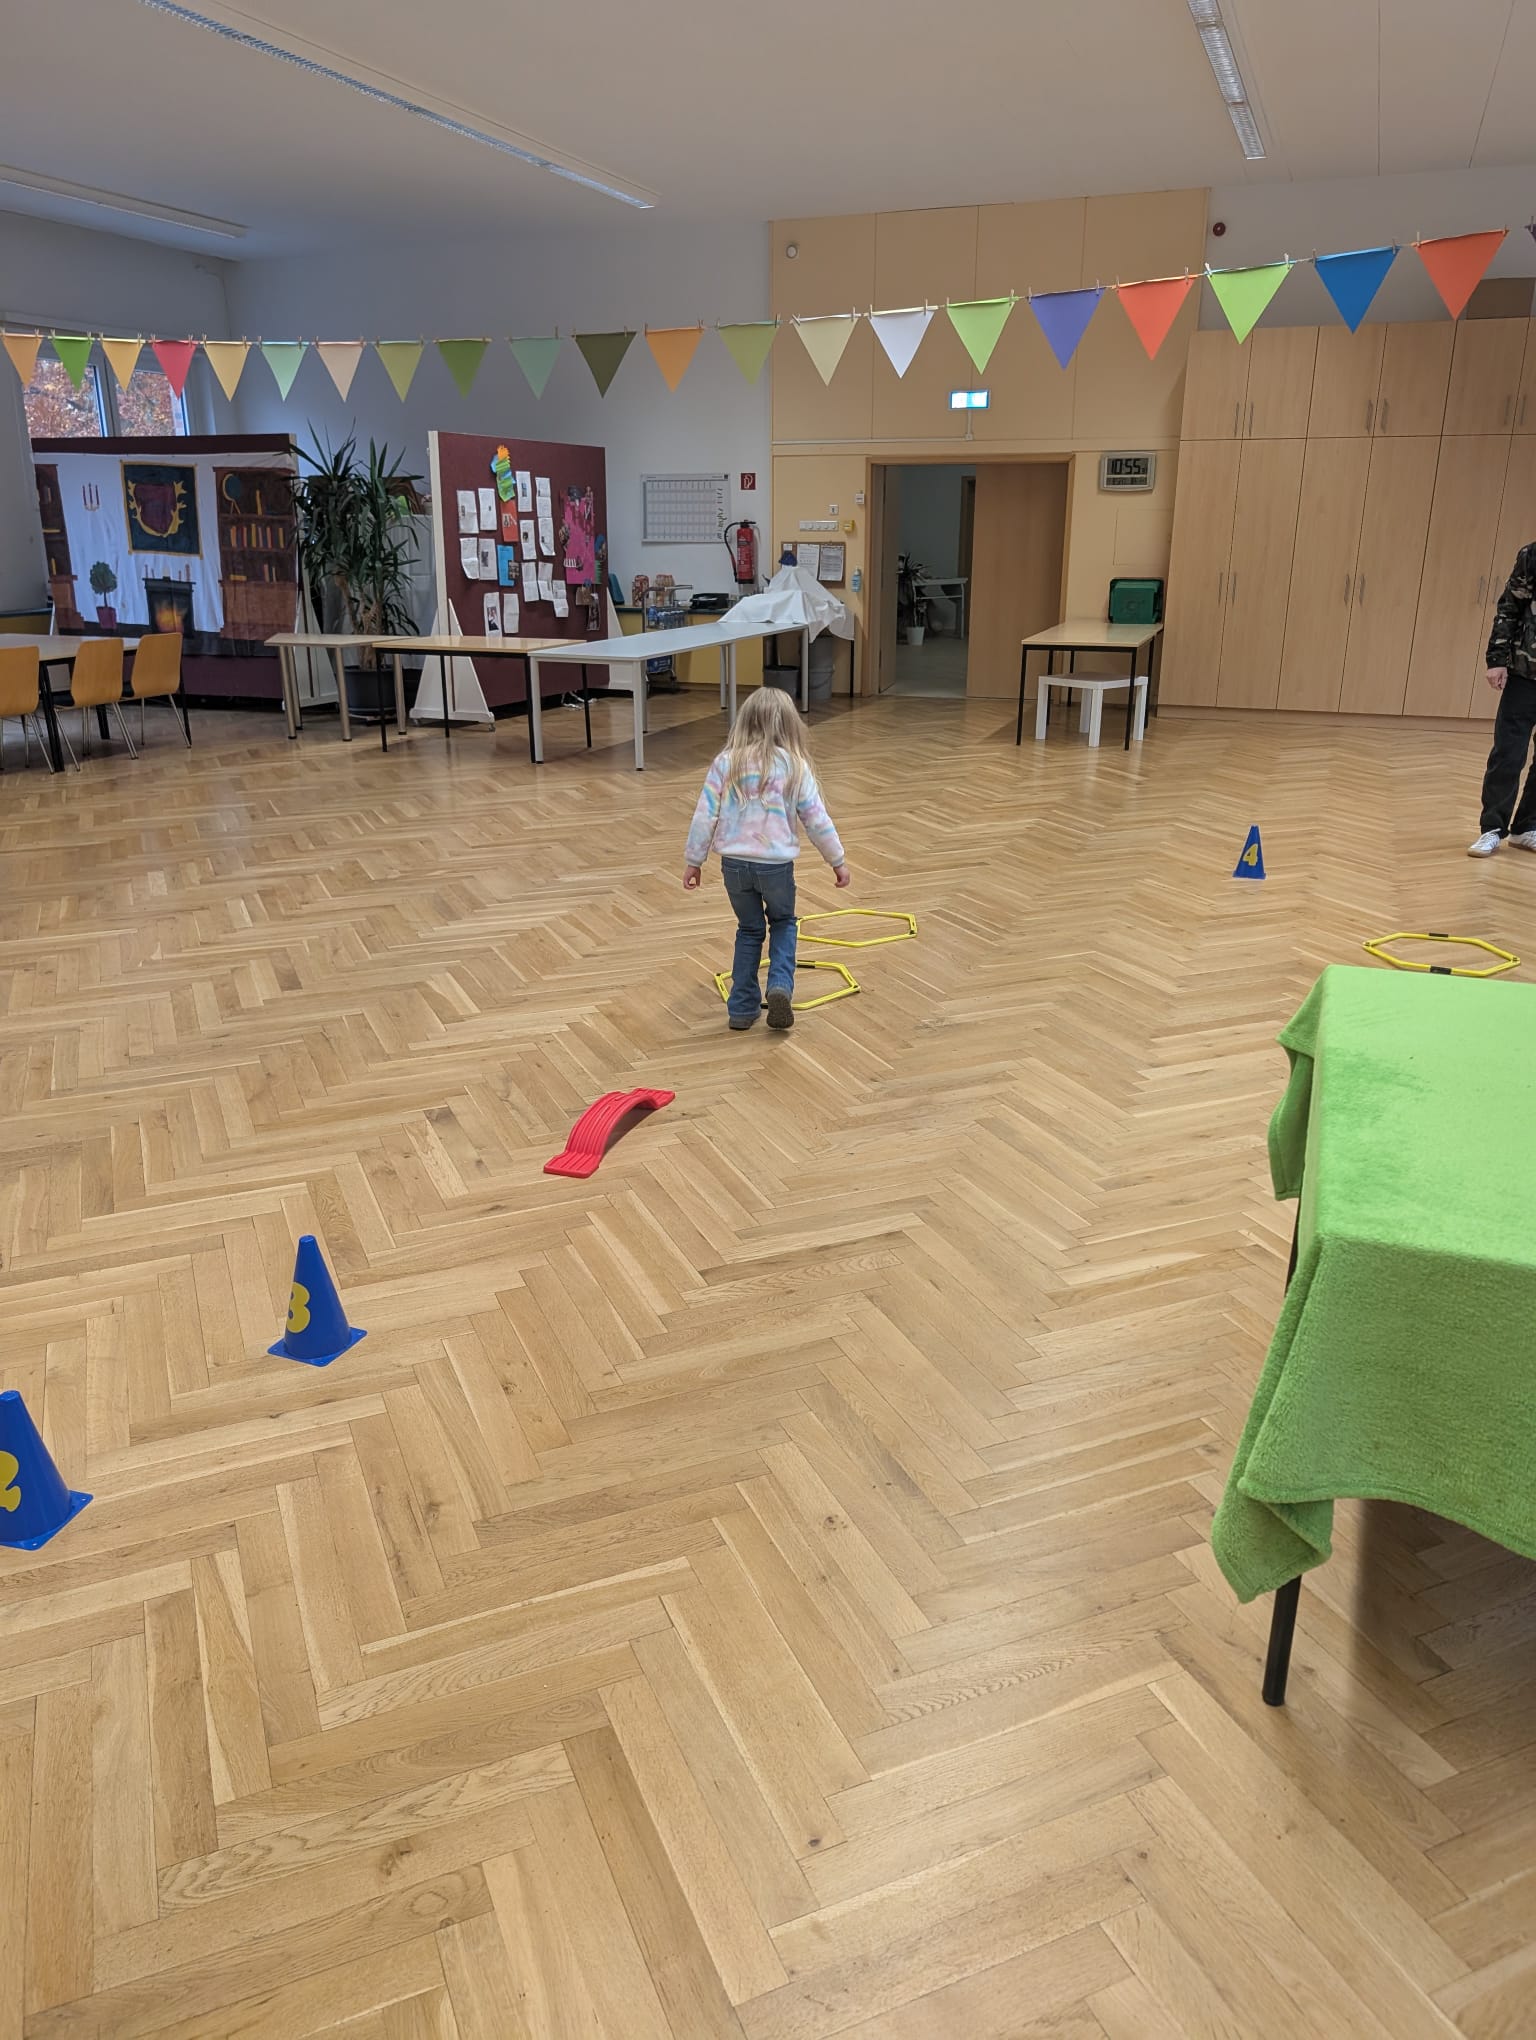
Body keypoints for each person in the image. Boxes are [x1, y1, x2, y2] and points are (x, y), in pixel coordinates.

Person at [683, 689, 850, 1031]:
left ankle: (742, 1009)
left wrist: (694, 860)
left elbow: (704, 817)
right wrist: (837, 860)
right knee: (784, 922)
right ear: (790, 725)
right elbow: (816, 819)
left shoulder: (725, 763)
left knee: (749, 930)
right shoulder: (794, 766)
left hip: (734, 865)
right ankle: (779, 986)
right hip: (776, 866)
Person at [1471, 543, 1536, 855]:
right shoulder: (1532, 555)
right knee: (1508, 754)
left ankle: (1527, 828)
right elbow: (1509, 607)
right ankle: (1493, 829)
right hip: (1525, 675)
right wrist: (1497, 659)